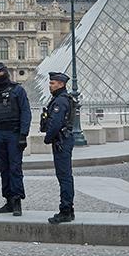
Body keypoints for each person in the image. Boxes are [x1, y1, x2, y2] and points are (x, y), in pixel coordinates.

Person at [0, 62, 31, 216]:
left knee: (15, 168)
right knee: (3, 169)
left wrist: (23, 135)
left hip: (14, 133)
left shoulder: (18, 90)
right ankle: (8, 200)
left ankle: (17, 201)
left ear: (6, 74)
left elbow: (26, 113)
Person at [41, 71, 75, 224]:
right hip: (64, 140)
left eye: (52, 83)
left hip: (61, 141)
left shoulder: (60, 101)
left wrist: (47, 138)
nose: (50, 85)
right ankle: (69, 210)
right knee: (65, 176)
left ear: (61, 84)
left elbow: (55, 123)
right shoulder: (62, 99)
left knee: (64, 177)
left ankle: (65, 210)